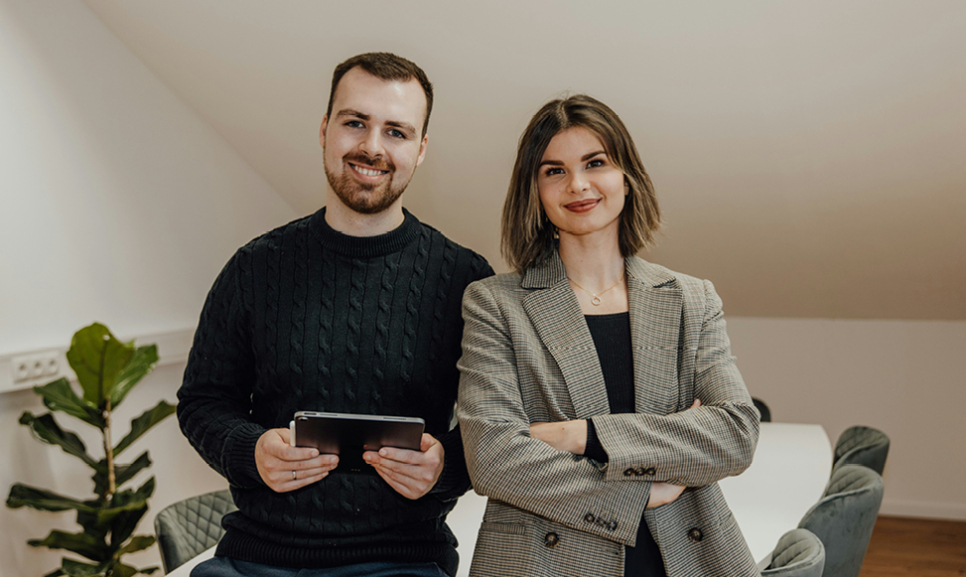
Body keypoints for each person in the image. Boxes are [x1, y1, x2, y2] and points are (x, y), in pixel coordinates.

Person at [178, 52, 492, 577]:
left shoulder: (466, 280)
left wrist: (446, 467)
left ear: (421, 149)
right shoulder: (255, 267)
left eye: (396, 131)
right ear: (325, 129)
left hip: (403, 560)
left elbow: (502, 426)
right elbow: (203, 401)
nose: (372, 146)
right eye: (355, 123)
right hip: (258, 557)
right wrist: (251, 449)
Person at [457, 95, 760, 577]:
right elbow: (494, 458)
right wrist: (642, 488)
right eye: (553, 170)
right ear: (533, 190)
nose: (577, 184)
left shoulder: (691, 298)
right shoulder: (494, 303)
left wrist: (582, 435)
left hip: (685, 554)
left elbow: (734, 435)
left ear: (627, 176)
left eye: (595, 163)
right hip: (545, 561)